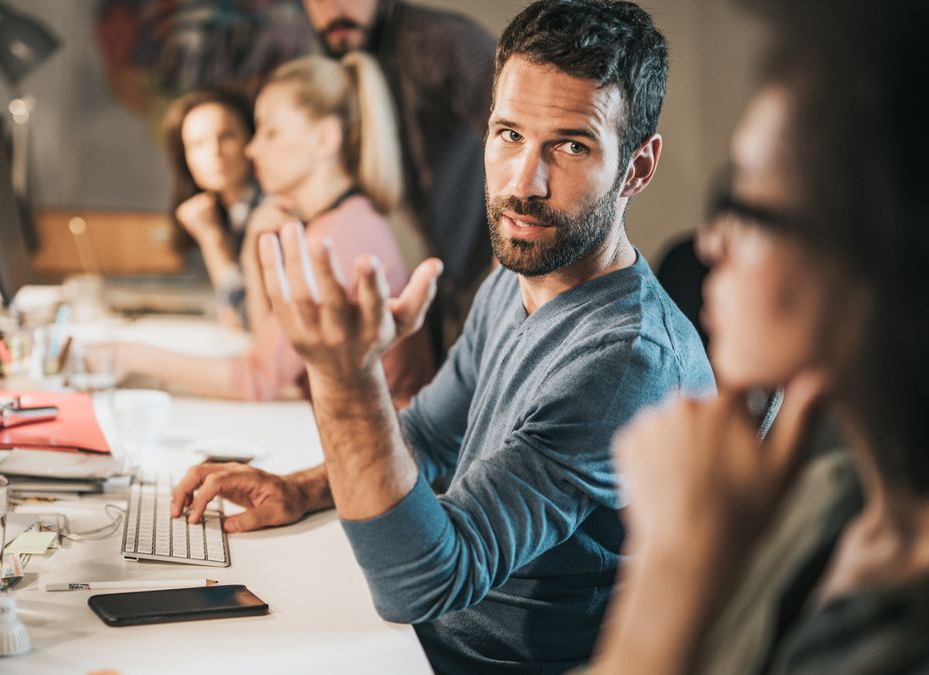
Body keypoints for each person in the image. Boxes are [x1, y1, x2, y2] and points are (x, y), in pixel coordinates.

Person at [171, 2, 712, 672]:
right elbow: (428, 437)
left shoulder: (625, 359)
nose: (522, 183)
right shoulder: (518, 278)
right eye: (509, 135)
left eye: (571, 146)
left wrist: (346, 379)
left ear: (637, 167)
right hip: (420, 641)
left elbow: (426, 582)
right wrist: (302, 489)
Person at [587, 1, 929, 673]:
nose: (711, 244)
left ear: (872, 255)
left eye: (742, 204)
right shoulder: (829, 494)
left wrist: (670, 569)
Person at [107, 52, 435, 406]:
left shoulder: (333, 239)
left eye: (270, 131)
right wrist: (252, 251)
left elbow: (259, 379)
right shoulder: (343, 219)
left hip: (384, 446)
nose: (252, 148)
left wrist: (129, 356)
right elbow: (266, 349)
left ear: (324, 139)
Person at [302, 0, 497, 354]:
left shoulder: (444, 42)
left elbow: (523, 134)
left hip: (499, 266)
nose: (333, 10)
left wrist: (508, 277)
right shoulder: (351, 59)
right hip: (446, 275)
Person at [162, 89, 260, 328]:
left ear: (250, 140)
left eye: (227, 137)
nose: (214, 153)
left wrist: (212, 237)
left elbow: (244, 317)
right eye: (198, 144)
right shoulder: (220, 211)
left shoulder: (268, 211)